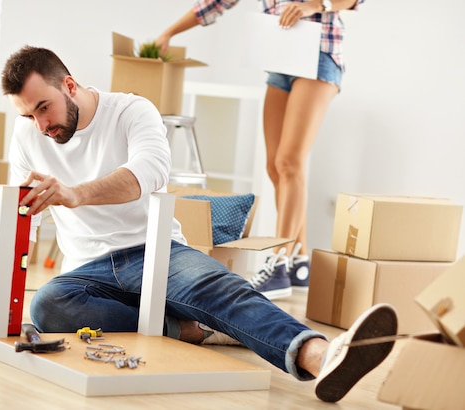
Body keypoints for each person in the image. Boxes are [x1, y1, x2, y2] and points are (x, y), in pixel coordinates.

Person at [0, 45, 397, 403]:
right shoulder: (27, 137)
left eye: (44, 107)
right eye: (29, 116)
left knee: (222, 291)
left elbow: (149, 172)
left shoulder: (132, 111)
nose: (41, 125)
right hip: (85, 273)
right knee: (47, 307)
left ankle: (323, 356)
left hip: (153, 252)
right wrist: (4, 291)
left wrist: (77, 194)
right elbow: (25, 215)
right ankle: (186, 328)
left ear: (70, 86)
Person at [156, 0, 363, 299]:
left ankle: (278, 262)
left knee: (289, 163)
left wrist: (315, 5)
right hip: (281, 58)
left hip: (320, 54)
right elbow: (215, 3)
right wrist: (169, 33)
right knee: (274, 166)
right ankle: (300, 262)